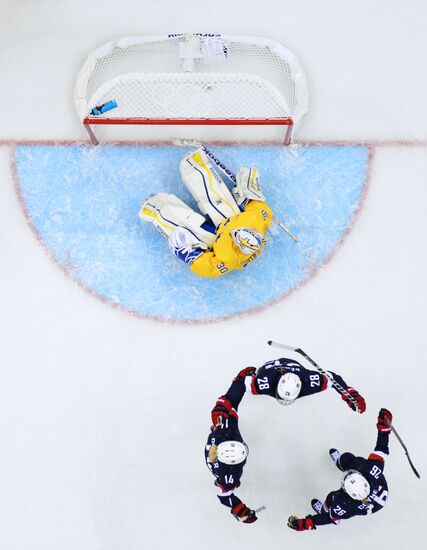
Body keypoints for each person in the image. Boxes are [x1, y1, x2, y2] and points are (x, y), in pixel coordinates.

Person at [139, 148, 273, 278]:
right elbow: (262, 208)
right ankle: (195, 166)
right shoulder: (255, 220)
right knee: (219, 202)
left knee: (192, 229)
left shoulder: (228, 258)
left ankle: (156, 210)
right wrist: (249, 196)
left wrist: (191, 255)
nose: (236, 231)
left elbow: (208, 269)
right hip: (229, 221)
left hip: (214, 243)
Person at [287, 408, 392, 531]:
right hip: (378, 490)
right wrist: (384, 427)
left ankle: (323, 509)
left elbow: (330, 519)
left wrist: (304, 524)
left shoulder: (344, 504)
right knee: (350, 459)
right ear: (361, 477)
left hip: (371, 504)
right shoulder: (372, 471)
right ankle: (340, 463)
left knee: (331, 497)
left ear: (348, 492)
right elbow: (381, 449)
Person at [204, 367, 258, 523]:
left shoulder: (223, 425)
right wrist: (241, 380)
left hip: (217, 441)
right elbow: (224, 496)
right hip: (218, 444)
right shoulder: (230, 475)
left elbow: (230, 400)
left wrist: (241, 379)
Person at [247, 357, 366, 413]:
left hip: (293, 364)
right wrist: (246, 376)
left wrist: (351, 396)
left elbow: (334, 378)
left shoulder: (309, 381)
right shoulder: (263, 382)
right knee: (258, 373)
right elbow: (241, 383)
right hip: (268, 367)